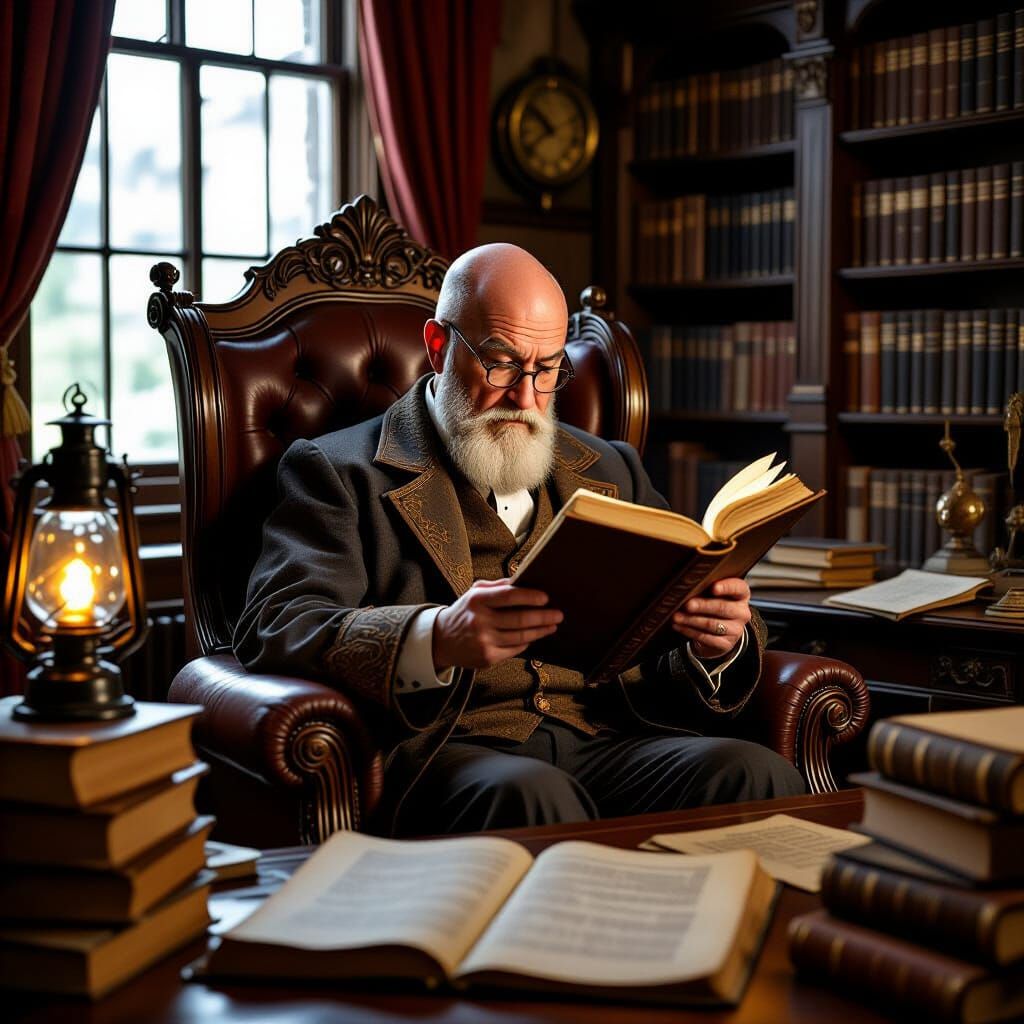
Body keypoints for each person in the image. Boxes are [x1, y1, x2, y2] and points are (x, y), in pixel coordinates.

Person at [234, 242, 805, 835]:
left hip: (608, 737)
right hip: (452, 749)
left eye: (548, 368)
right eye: (501, 362)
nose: (527, 397)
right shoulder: (338, 470)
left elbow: (682, 611)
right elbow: (277, 622)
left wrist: (718, 642)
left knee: (753, 774)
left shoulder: (612, 467)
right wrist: (436, 637)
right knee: (534, 797)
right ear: (437, 347)